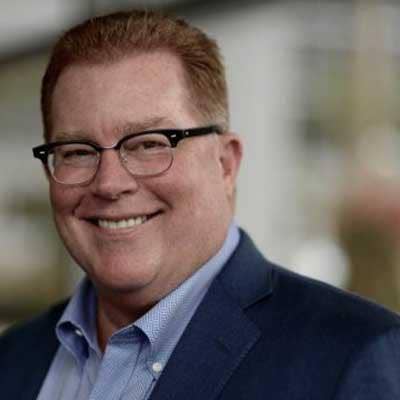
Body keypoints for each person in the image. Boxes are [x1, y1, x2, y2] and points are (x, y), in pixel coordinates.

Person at [1, 9, 400, 400]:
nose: (109, 183)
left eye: (149, 144)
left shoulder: (349, 358)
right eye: (77, 152)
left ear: (226, 164)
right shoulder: (12, 359)